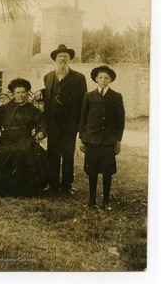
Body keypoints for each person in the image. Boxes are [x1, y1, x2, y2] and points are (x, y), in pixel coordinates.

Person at [0, 78, 50, 197]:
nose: (20, 95)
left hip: (24, 139)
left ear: (27, 94)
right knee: (2, 152)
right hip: (7, 139)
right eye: (18, 92)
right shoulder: (5, 109)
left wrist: (41, 132)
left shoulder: (33, 110)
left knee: (26, 150)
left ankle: (24, 190)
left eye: (23, 92)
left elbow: (41, 124)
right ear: (13, 94)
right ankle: (5, 188)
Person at [35, 44, 87, 194]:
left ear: (69, 59)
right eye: (60, 57)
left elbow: (83, 102)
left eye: (65, 56)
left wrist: (80, 125)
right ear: (55, 59)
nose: (62, 59)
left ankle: (66, 185)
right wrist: (40, 92)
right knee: (53, 153)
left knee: (68, 154)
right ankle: (53, 184)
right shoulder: (49, 76)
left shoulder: (78, 78)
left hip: (70, 124)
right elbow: (48, 92)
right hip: (52, 123)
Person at [79, 65, 125, 210]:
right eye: (101, 77)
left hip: (108, 141)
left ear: (110, 79)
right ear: (96, 79)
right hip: (91, 139)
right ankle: (92, 199)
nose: (103, 80)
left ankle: (106, 199)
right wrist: (82, 138)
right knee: (92, 171)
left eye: (106, 78)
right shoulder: (89, 96)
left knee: (107, 171)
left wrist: (118, 141)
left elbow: (120, 120)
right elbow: (83, 118)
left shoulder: (116, 97)